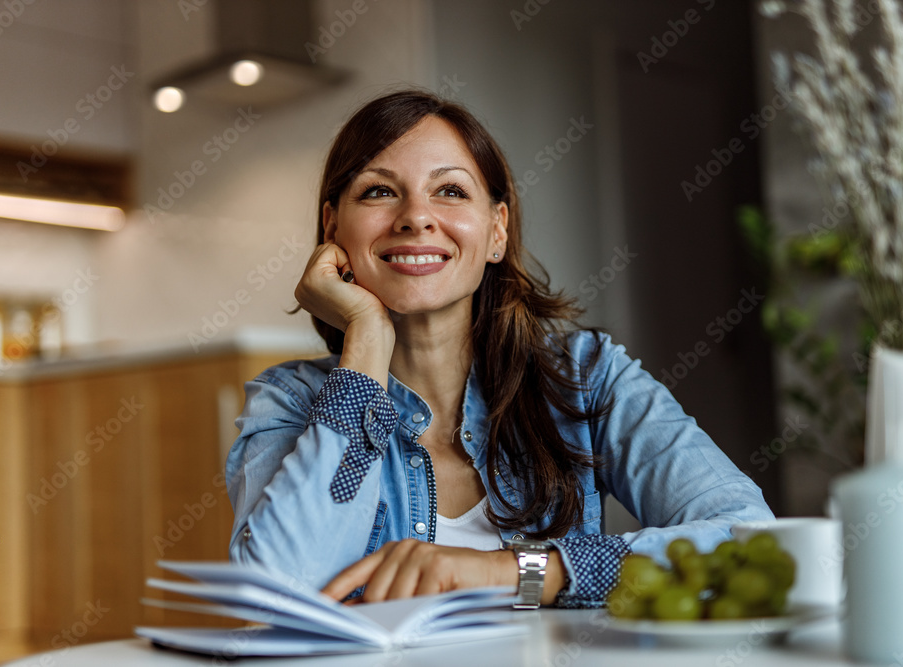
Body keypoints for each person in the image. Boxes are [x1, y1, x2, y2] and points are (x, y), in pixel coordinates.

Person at [225, 89, 774, 609]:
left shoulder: (587, 379)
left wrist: (513, 572)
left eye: (451, 191)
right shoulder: (290, 402)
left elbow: (751, 540)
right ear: (332, 228)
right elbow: (274, 597)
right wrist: (366, 339)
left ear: (496, 231)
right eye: (379, 190)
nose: (416, 215)